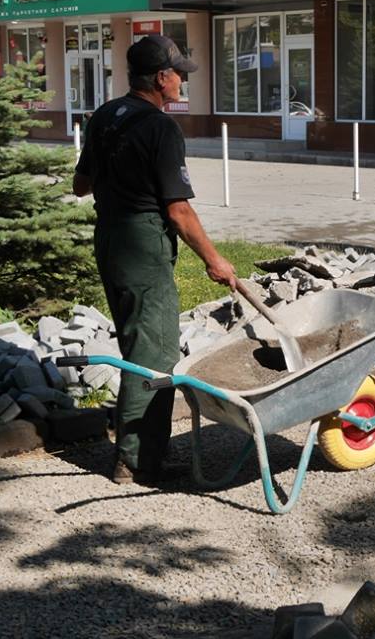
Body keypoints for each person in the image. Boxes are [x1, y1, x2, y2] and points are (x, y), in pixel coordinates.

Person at [73, 35, 237, 485]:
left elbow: (80, 184)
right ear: (161, 78)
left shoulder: (106, 115)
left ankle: (141, 451)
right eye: (178, 73)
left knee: (137, 344)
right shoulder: (161, 128)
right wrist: (215, 260)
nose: (183, 80)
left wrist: (119, 173)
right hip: (143, 245)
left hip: (110, 236)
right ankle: (138, 460)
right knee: (155, 354)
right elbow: (178, 210)